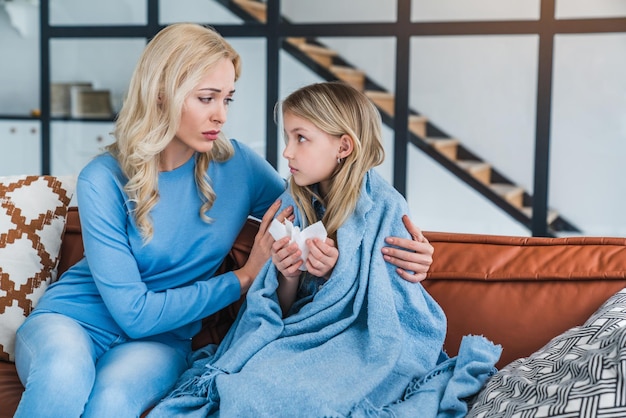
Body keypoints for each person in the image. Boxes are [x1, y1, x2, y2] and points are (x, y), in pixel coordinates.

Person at [13, 24, 436, 418]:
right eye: (206, 98)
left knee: (112, 401)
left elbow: (323, 197)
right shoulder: (102, 178)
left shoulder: (239, 167)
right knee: (65, 374)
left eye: (227, 99)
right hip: (74, 319)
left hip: (162, 341)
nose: (221, 115)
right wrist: (245, 277)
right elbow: (134, 315)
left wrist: (401, 247)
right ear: (161, 94)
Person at [148, 81, 500, 417]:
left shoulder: (384, 207)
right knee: (248, 389)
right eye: (288, 137)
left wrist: (337, 273)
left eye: (301, 138)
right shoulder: (292, 201)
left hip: (361, 340)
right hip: (302, 335)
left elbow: (389, 306)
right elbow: (279, 306)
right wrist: (288, 274)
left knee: (308, 399)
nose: (287, 151)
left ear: (343, 147)